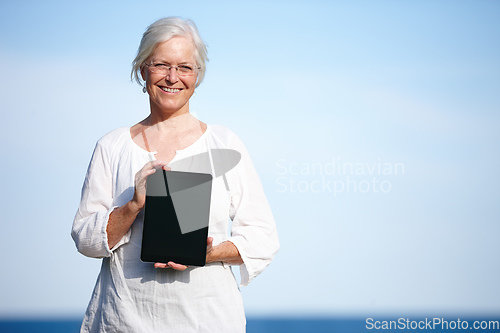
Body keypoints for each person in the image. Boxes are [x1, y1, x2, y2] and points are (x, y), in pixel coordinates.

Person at [71, 17, 279, 332]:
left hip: (208, 322)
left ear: (198, 75)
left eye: (184, 67)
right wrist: (132, 205)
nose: (172, 77)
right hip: (122, 321)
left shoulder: (225, 145)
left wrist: (208, 253)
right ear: (143, 69)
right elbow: (86, 240)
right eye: (161, 65)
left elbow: (263, 239)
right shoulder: (111, 147)